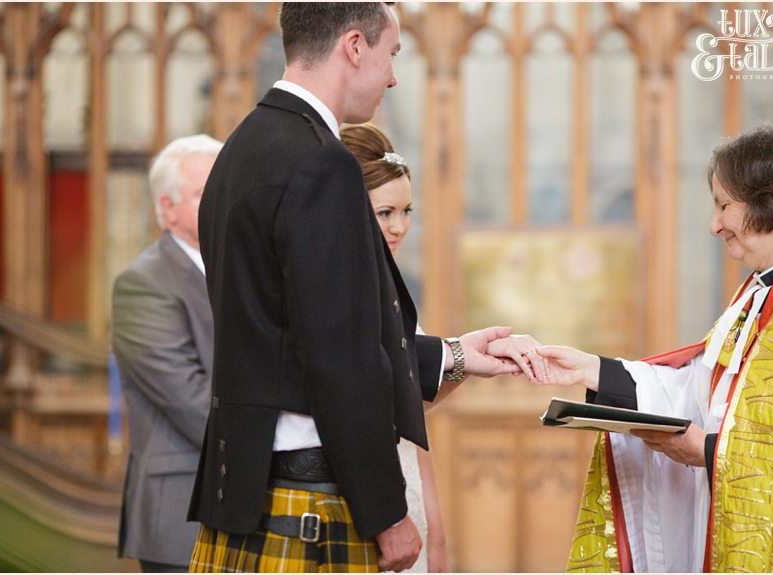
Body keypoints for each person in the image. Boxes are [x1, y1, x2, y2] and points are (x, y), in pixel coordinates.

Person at [187, 4, 535, 573]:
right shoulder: (323, 164)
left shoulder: (240, 150)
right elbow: (338, 354)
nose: (393, 76)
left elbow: (284, 333)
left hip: (246, 492)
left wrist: (454, 356)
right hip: (309, 504)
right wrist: (386, 513)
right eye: (391, 54)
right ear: (354, 46)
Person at [508, 123, 773, 573]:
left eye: (723, 206)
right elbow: (701, 388)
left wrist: (710, 452)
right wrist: (589, 370)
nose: (714, 226)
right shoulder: (757, 292)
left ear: (771, 200)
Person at [111, 134, 223, 572]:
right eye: (202, 192)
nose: (219, 199)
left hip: (245, 505)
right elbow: (188, 399)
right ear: (168, 208)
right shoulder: (144, 284)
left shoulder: (243, 270)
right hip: (182, 512)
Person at [341, 123, 448, 572]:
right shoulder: (337, 292)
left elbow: (409, 413)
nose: (399, 227)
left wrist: (434, 524)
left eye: (407, 211)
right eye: (385, 213)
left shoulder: (395, 292)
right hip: (363, 508)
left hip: (407, 489)